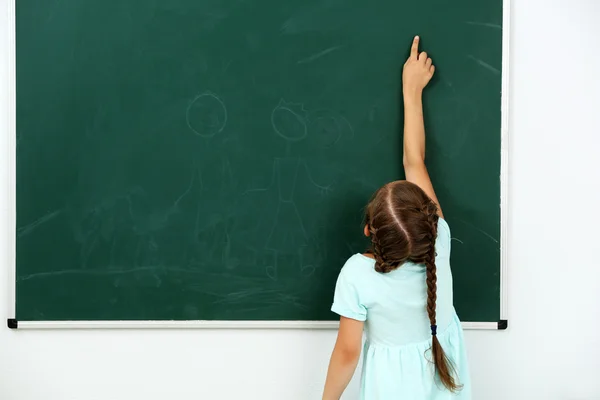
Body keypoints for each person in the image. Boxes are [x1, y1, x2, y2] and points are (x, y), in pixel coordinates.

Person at [322, 36, 471, 400]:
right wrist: (412, 90)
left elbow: (347, 352)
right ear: (428, 220)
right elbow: (414, 161)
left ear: (368, 230)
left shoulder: (357, 275)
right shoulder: (439, 240)